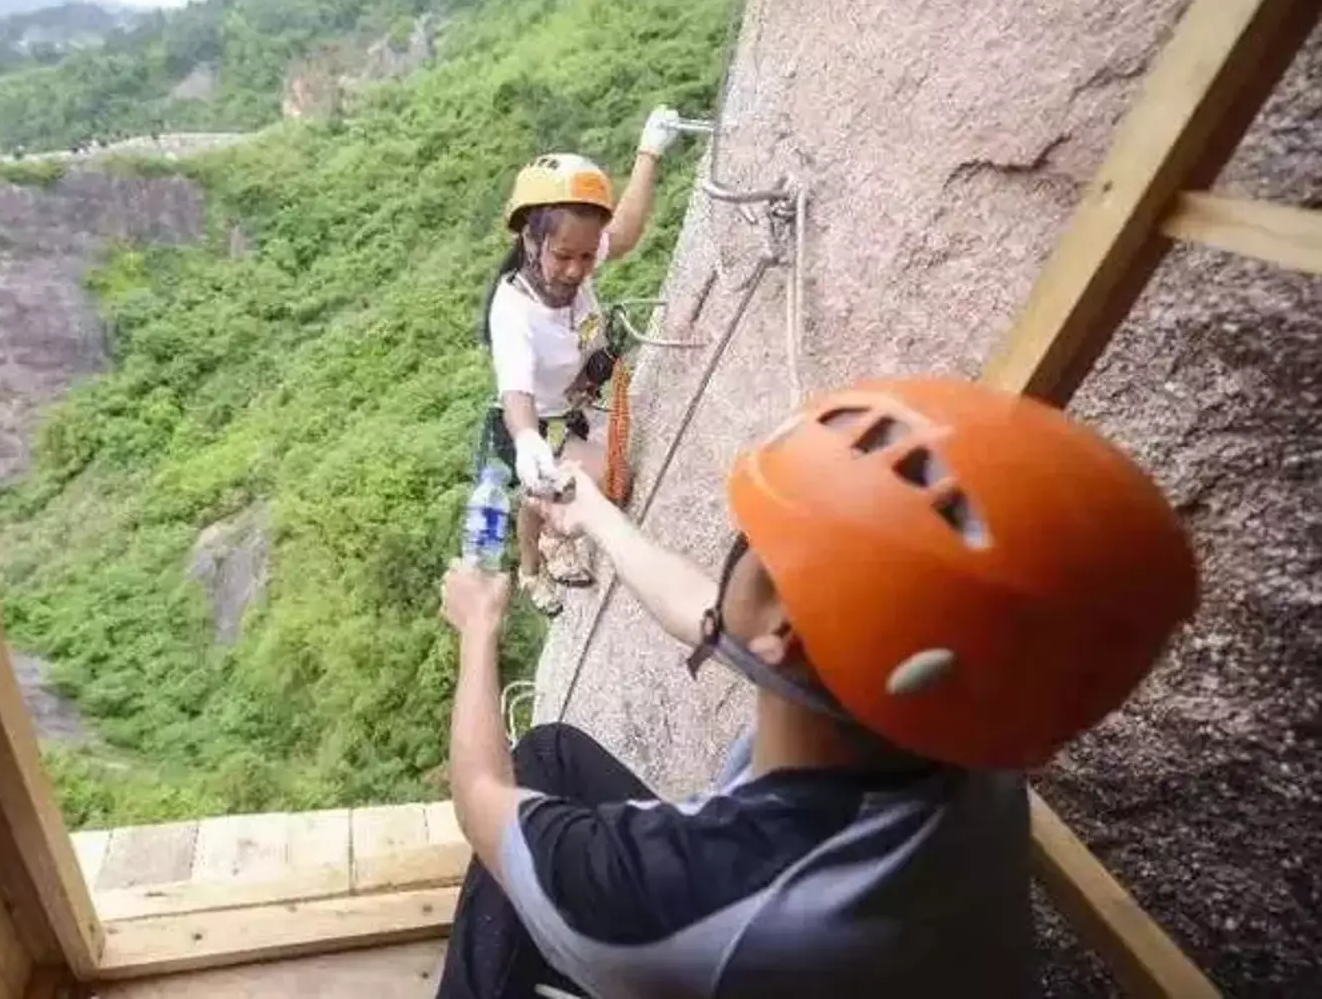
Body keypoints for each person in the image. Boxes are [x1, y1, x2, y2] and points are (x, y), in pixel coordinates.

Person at [436, 377, 1200, 999]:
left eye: (755, 543)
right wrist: (597, 517)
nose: (736, 551)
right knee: (553, 756)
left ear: (785, 635)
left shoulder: (670, 896)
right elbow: (712, 609)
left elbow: (479, 797)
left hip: (732, 939)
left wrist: (479, 629)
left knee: (519, 798)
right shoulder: (959, 712)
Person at [478, 107, 684, 616]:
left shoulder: (579, 247)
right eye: (564, 256)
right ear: (530, 238)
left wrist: (649, 152)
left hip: (570, 408)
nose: (576, 269)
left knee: (578, 481)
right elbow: (516, 393)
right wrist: (527, 441)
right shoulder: (514, 311)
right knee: (610, 483)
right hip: (537, 424)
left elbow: (629, 230)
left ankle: (540, 534)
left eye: (587, 257)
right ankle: (534, 561)